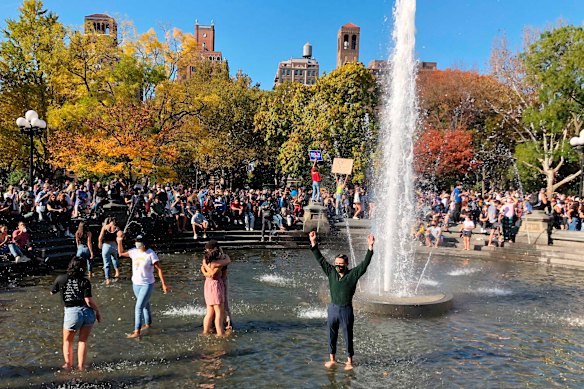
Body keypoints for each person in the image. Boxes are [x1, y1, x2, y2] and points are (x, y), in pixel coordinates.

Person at [309, 230, 375, 371]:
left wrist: (370, 248)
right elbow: (320, 259)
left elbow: (364, 264)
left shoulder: (353, 275)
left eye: (341, 264)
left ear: (346, 264)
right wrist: (313, 243)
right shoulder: (331, 272)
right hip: (333, 308)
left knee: (347, 335)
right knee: (331, 334)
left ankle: (349, 361)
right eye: (336, 263)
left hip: (346, 309)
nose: (338, 265)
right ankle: (332, 359)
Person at [51, 257, 101, 371]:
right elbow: (88, 301)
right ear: (83, 268)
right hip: (87, 312)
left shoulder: (61, 278)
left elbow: (52, 292)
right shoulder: (85, 281)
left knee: (67, 341)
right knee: (82, 341)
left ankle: (68, 365)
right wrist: (97, 311)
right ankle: (81, 367)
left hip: (72, 313)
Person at [116, 234, 170, 338]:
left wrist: (164, 284)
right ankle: (148, 324)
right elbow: (121, 253)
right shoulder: (133, 252)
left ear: (144, 243)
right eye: (136, 241)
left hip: (147, 284)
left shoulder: (151, 254)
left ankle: (137, 331)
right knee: (145, 305)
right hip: (136, 283)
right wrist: (119, 242)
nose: (137, 243)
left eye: (139, 241)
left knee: (138, 306)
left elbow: (159, 269)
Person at [200, 240, 231, 336]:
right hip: (215, 286)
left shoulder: (206, 260)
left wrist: (204, 268)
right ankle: (220, 333)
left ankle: (205, 332)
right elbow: (228, 261)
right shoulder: (218, 263)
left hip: (207, 285)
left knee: (209, 312)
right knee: (219, 312)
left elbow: (207, 271)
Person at [98, 217, 121, 285]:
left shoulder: (105, 227)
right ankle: (117, 272)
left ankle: (107, 279)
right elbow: (119, 238)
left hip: (106, 246)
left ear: (109, 221)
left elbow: (100, 237)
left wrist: (99, 243)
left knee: (106, 263)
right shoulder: (117, 228)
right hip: (114, 246)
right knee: (115, 258)